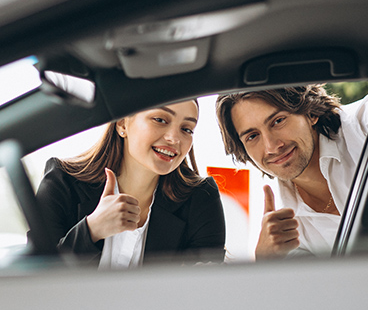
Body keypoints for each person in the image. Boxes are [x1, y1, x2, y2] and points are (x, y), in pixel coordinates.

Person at [31, 100, 226, 268]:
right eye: (160, 120)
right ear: (122, 123)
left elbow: (205, 291)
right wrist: (91, 230)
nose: (174, 138)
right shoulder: (62, 182)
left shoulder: (201, 198)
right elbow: (36, 275)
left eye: (186, 129)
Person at [216, 85, 368, 259]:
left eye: (278, 121)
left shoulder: (362, 126)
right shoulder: (287, 232)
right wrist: (265, 262)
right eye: (252, 136)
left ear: (310, 113)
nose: (271, 147)